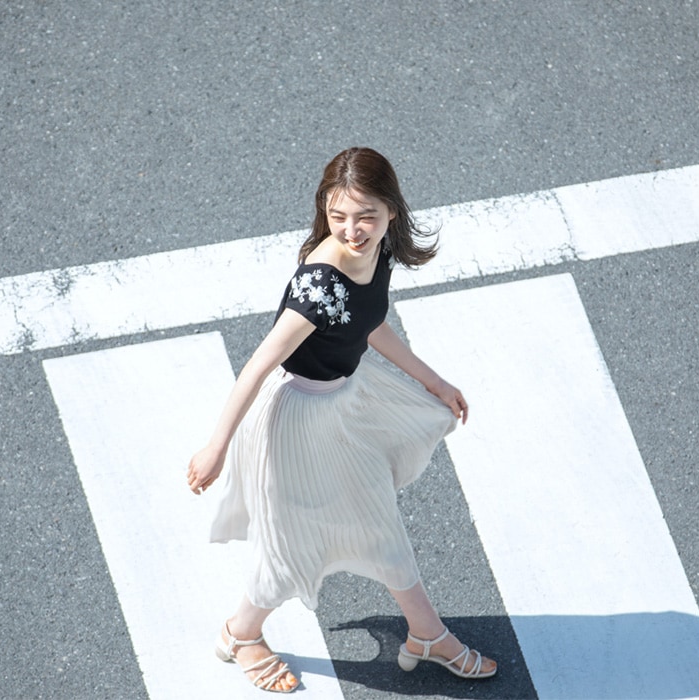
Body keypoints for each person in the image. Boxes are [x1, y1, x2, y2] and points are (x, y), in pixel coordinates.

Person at [187, 147, 497, 693]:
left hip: (344, 402)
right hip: (297, 422)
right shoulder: (320, 286)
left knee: (379, 524)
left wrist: (433, 381)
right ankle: (240, 634)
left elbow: (368, 323)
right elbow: (258, 366)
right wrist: (216, 447)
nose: (352, 231)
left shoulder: (380, 252)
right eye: (338, 217)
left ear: (392, 211)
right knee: (292, 543)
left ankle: (427, 634)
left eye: (365, 216)